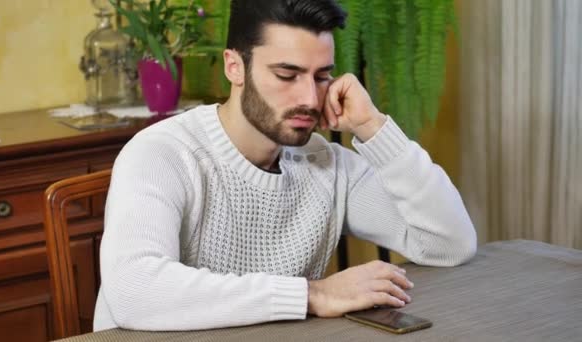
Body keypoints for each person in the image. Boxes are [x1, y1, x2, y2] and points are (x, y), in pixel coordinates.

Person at [93, 0, 477, 332]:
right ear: (234, 67)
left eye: (322, 76)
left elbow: (449, 244)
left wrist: (373, 127)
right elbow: (134, 290)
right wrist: (313, 294)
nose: (309, 98)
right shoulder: (161, 154)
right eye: (287, 75)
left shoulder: (326, 164)